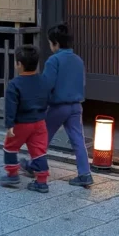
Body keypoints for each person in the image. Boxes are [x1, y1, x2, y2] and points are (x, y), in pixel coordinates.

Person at [41, 23, 93, 187]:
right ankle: (85, 173)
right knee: (78, 140)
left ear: (55, 43)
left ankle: (37, 166)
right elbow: (82, 82)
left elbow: (47, 84)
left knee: (43, 137)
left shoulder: (53, 60)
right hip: (76, 106)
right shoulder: (78, 60)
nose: (50, 46)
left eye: (50, 42)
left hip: (58, 106)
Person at [0, 45, 51, 193]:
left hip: (21, 123)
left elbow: (11, 107)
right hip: (39, 122)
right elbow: (47, 98)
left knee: (10, 147)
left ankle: (12, 174)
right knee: (39, 151)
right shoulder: (43, 81)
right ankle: (42, 182)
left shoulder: (15, 84)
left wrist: (9, 125)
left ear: (19, 64)